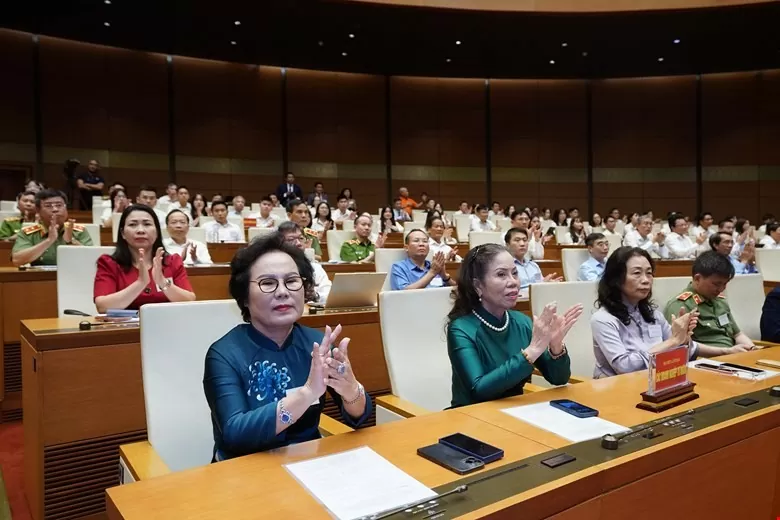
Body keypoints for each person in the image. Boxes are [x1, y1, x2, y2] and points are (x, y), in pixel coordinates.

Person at [203, 234, 371, 459]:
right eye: (268, 283)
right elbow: (235, 435)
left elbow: (359, 416)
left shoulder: (317, 345)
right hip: (244, 469)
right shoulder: (224, 354)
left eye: (291, 281)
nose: (283, 291)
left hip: (308, 463)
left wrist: (351, 390)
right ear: (244, 297)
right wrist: (307, 393)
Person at [446, 244, 582, 407]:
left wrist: (555, 347)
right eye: (501, 274)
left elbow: (559, 378)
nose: (513, 282)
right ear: (478, 285)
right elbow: (479, 390)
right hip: (471, 415)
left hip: (516, 410)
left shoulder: (521, 321)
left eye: (515, 273)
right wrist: (531, 351)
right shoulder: (461, 329)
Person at [590, 247, 730, 378]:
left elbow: (687, 353)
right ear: (616, 279)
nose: (646, 280)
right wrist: (673, 341)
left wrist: (684, 338)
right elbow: (625, 367)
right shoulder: (603, 319)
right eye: (637, 273)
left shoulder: (654, 315)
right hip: (618, 388)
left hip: (659, 382)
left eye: (649, 273)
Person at [94, 205, 195, 312]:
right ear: (123, 233)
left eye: (147, 224)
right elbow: (102, 307)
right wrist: (140, 283)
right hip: (125, 323)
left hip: (167, 321)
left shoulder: (172, 261)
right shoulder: (109, 263)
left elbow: (190, 301)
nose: (140, 230)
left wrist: (162, 282)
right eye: (133, 224)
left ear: (157, 232)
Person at [664, 251, 756, 351]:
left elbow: (737, 334)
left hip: (732, 354)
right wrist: (726, 352)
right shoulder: (681, 305)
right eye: (716, 284)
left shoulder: (720, 301)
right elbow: (679, 345)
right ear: (697, 279)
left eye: (725, 284)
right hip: (705, 358)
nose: (721, 289)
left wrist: (752, 348)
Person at [11, 189, 93, 266]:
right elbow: (17, 260)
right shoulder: (28, 233)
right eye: (48, 206)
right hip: (41, 276)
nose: (55, 209)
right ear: (38, 211)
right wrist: (49, 241)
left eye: (59, 205)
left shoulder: (79, 231)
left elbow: (93, 258)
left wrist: (71, 241)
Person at [277, 222, 332, 303]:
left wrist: (314, 295)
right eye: (291, 239)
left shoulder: (315, 268)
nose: (298, 243)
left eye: (301, 238)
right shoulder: (273, 269)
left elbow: (329, 295)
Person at [390, 229, 455, 291]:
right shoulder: (399, 267)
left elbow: (456, 290)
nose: (421, 244)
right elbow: (403, 293)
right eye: (416, 241)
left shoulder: (434, 265)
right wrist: (432, 273)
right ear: (406, 248)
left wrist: (444, 276)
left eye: (425, 241)